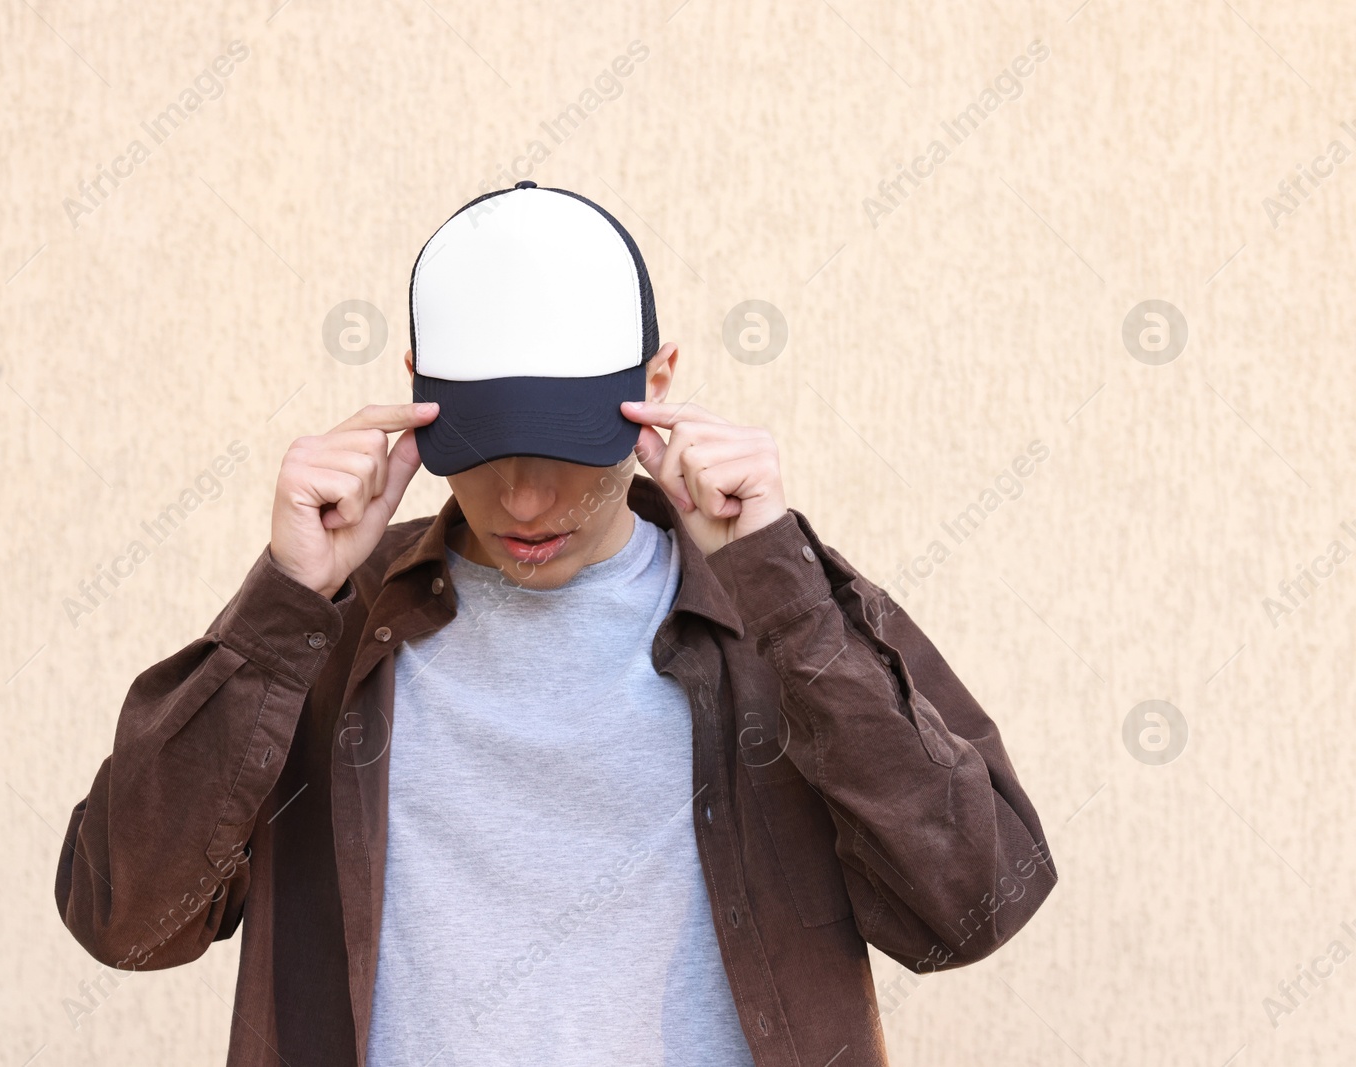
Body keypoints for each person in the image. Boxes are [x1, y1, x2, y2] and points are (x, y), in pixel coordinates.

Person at [55, 182, 1057, 1067]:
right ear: (419, 395)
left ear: (657, 387)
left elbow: (974, 903)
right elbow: (125, 917)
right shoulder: (328, 627)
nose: (526, 499)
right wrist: (284, 600)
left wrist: (783, 586)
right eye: (485, 446)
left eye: (569, 447)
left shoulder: (776, 616)